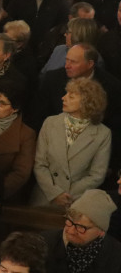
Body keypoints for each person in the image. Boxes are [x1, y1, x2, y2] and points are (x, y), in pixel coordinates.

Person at [32, 77, 111, 207]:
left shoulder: (103, 134)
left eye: (71, 96)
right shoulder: (50, 123)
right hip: (45, 197)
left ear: (87, 102)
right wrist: (55, 193)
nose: (64, 98)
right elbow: (40, 164)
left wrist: (66, 194)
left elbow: (97, 175)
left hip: (76, 201)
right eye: (66, 93)